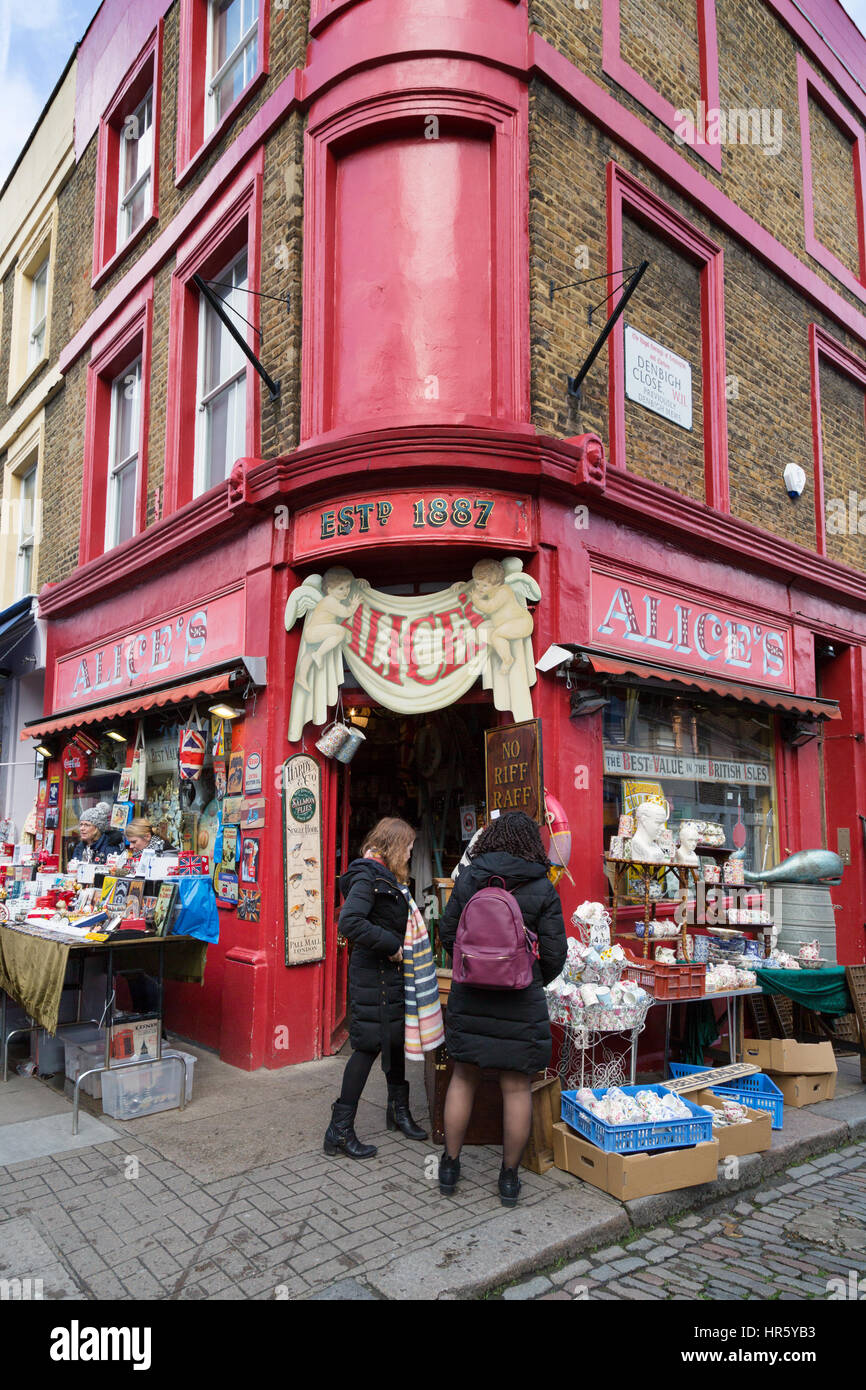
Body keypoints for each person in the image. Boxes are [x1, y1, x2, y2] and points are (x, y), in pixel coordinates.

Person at [436, 811, 567, 1207]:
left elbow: (446, 933)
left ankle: (449, 1165)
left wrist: (473, 966)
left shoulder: (471, 877)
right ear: (532, 844)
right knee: (516, 1086)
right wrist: (528, 975)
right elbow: (556, 954)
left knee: (464, 1077)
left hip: (470, 995)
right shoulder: (543, 886)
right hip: (520, 998)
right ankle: (508, 1179)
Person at [323, 817, 428, 1160]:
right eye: (409, 847)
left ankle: (398, 1113)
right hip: (375, 975)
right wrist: (392, 945)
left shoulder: (387, 877)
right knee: (367, 1047)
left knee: (395, 1041)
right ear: (396, 845)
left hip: (390, 975)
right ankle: (339, 1130)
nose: (411, 853)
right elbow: (350, 921)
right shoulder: (368, 874)